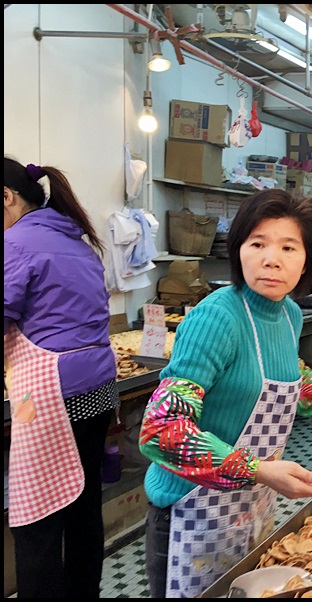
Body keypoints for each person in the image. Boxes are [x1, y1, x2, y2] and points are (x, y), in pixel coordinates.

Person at [138, 189, 312, 598]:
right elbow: (162, 430)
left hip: (253, 505)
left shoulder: (288, 312)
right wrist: (260, 470)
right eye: (258, 244)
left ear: (308, 261)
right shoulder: (216, 318)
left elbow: (290, 374)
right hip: (190, 509)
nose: (271, 259)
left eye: (288, 246)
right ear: (239, 250)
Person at [4, 157, 120, 598]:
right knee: (82, 503)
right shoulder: (77, 241)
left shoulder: (15, 243)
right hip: (95, 390)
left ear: (7, 197)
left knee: (38, 516)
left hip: (52, 396)